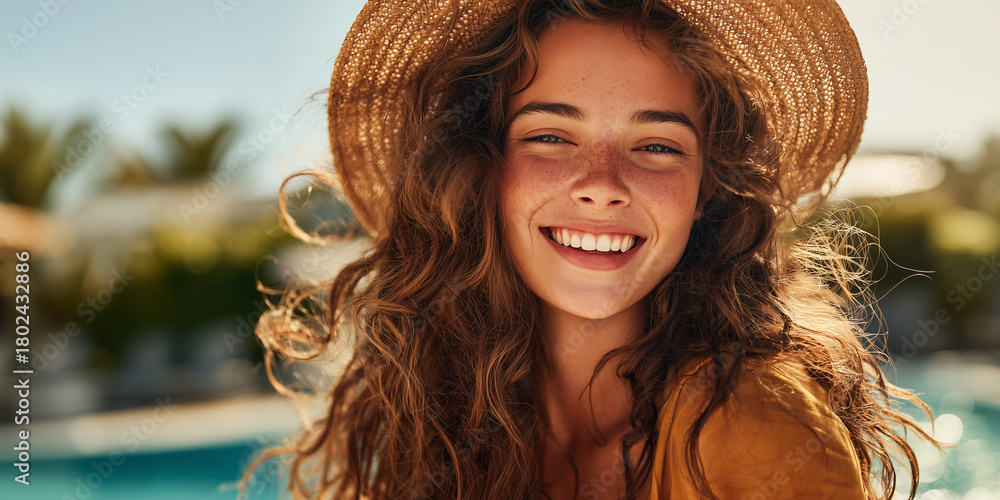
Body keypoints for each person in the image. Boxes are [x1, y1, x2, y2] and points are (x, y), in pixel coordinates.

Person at [244, 0, 939, 498]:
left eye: (658, 146)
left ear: (707, 190)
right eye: (551, 136)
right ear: (480, 166)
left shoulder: (751, 425)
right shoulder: (432, 429)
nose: (603, 185)